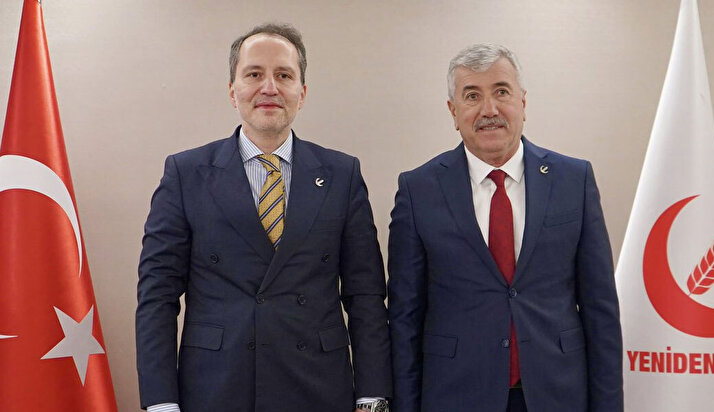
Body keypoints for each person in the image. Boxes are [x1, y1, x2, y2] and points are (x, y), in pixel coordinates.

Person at [136, 23, 391, 412]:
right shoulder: (186, 174)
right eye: (254, 74)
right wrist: (161, 402)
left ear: (302, 93)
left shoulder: (342, 175)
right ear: (232, 90)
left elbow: (366, 295)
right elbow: (157, 294)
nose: (269, 88)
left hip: (318, 386)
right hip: (215, 386)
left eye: (284, 75)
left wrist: (372, 397)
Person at [387, 43, 622, 412]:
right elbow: (404, 318)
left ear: (523, 103)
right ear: (453, 111)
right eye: (472, 96)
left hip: (557, 393)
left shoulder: (573, 181)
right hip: (456, 395)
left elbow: (600, 309)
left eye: (501, 92)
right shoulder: (418, 190)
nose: (489, 110)